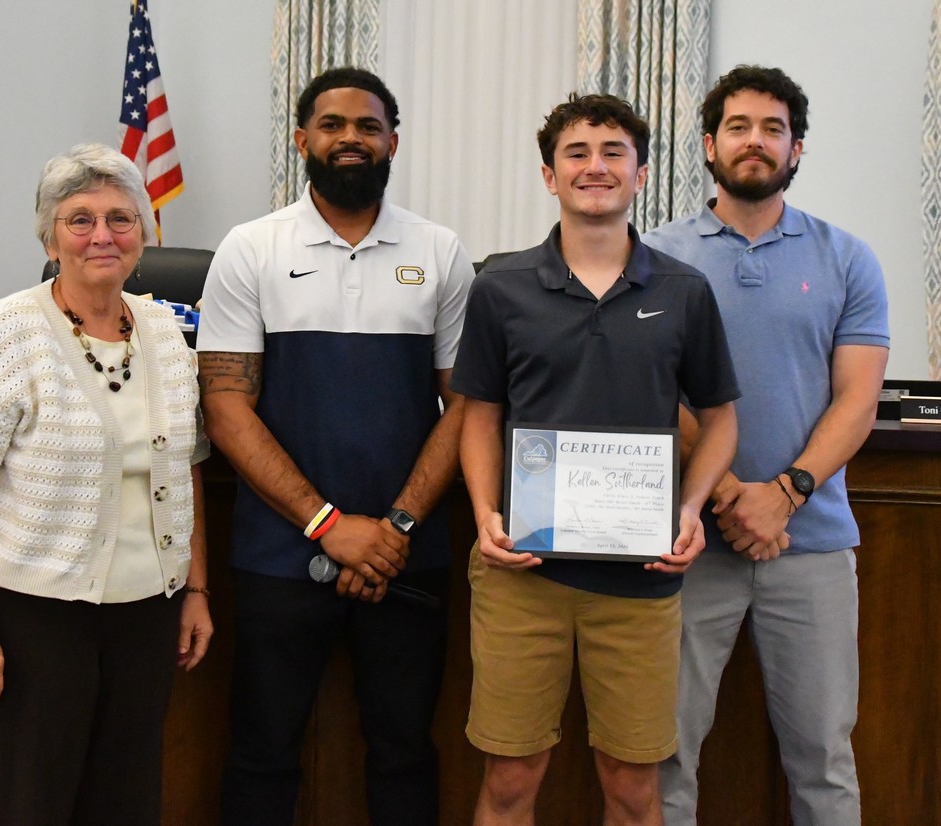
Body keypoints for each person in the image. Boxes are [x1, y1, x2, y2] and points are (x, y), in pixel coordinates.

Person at [196, 67, 475, 825]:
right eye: (331, 124)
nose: (350, 138)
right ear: (301, 139)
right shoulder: (252, 248)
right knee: (261, 751)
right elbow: (225, 407)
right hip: (278, 556)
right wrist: (328, 524)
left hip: (406, 555)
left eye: (367, 125)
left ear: (392, 140)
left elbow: (466, 406)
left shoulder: (442, 251)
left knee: (404, 751)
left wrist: (396, 529)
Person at [450, 93, 739, 826]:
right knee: (512, 777)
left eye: (614, 152)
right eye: (576, 153)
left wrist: (689, 511)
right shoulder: (500, 288)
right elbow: (478, 416)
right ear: (549, 175)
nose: (595, 167)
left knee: (633, 785)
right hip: (522, 574)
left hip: (640, 580)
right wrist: (485, 513)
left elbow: (721, 420)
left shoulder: (684, 291)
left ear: (640, 174)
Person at [0, 143, 213, 825]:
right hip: (34, 618)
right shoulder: (6, 331)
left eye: (120, 218)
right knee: (28, 804)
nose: (101, 236)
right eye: (79, 219)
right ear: (49, 237)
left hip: (147, 615)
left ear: (143, 233)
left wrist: (195, 589)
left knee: (125, 802)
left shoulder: (166, 334)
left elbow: (186, 470)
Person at [643, 65, 889, 826]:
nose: (756, 142)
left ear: (797, 149)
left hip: (809, 544)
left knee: (823, 758)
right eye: (740, 127)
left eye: (773, 129)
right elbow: (650, 387)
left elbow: (858, 399)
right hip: (687, 543)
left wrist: (781, 495)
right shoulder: (653, 255)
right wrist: (726, 493)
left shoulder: (846, 258)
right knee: (663, 757)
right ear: (710, 145)